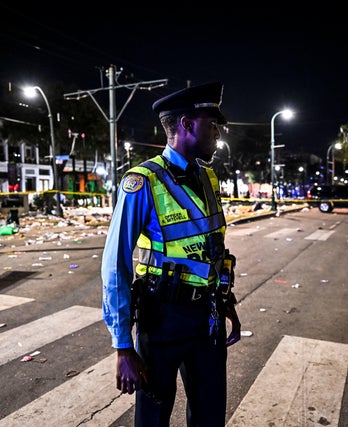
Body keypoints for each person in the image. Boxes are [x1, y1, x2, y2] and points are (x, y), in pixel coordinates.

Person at [101, 82, 241, 426]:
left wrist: (226, 304)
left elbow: (212, 250)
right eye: (212, 124)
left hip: (206, 317)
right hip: (161, 318)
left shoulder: (208, 177)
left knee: (210, 416)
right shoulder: (142, 182)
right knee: (153, 417)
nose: (217, 133)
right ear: (186, 125)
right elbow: (114, 265)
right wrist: (122, 346)